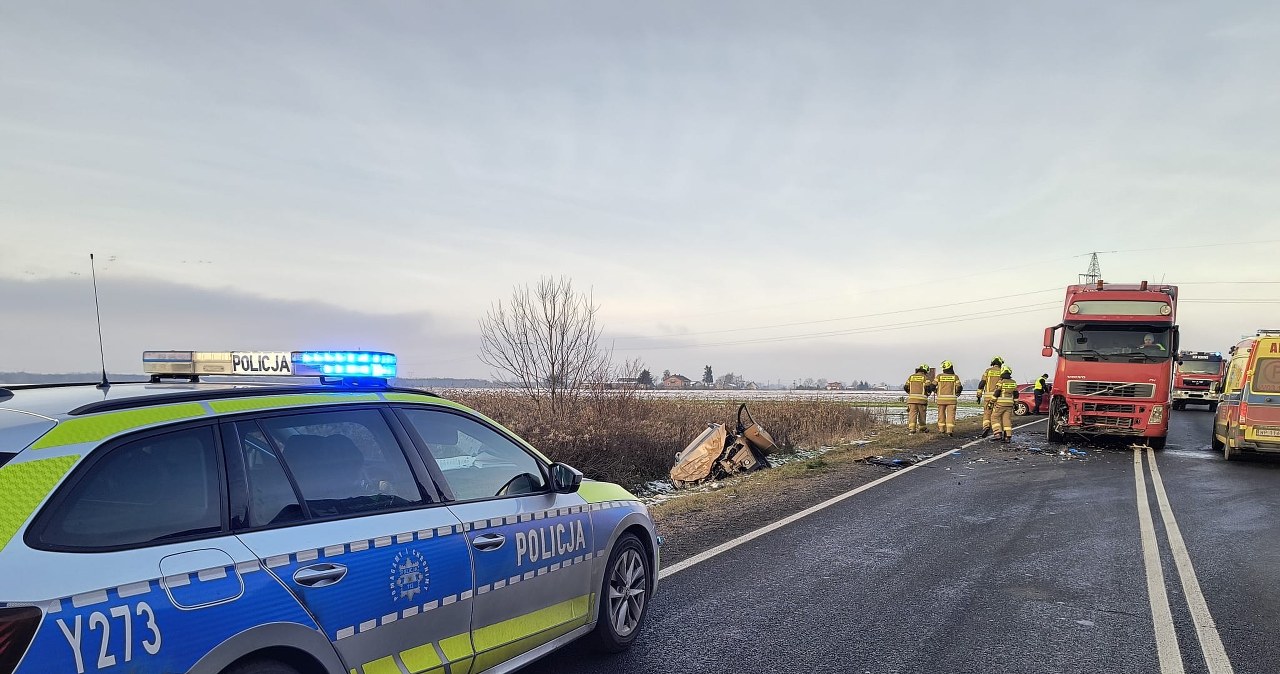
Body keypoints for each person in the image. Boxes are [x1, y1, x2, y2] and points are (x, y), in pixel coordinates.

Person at [933, 360, 963, 436]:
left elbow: (932, 386)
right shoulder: (955, 377)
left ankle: (941, 429)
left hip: (941, 400)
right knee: (951, 415)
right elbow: (959, 387)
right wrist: (957, 393)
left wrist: (936, 391)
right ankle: (949, 431)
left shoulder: (939, 376)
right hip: (952, 400)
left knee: (941, 414)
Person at [991, 366, 1019, 442]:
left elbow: (997, 392)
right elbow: (1016, 394)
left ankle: (997, 434)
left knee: (994, 417)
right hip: (1009, 404)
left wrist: (992, 402)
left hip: (1000, 404)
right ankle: (1007, 437)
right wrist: (1016, 404)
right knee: (1007, 420)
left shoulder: (1001, 382)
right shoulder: (1013, 382)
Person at [977, 356, 1004, 437]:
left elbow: (982, 383)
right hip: (998, 397)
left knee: (987, 413)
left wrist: (979, 395)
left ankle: (986, 427)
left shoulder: (988, 371)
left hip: (988, 396)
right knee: (997, 415)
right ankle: (997, 432)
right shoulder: (1002, 372)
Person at [903, 364, 931, 434]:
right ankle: (922, 428)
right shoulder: (925, 378)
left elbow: (906, 387)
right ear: (925, 371)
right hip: (922, 400)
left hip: (912, 400)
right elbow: (928, 388)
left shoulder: (911, 377)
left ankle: (912, 429)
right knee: (922, 415)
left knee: (912, 414)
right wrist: (928, 394)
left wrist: (910, 393)